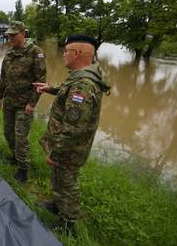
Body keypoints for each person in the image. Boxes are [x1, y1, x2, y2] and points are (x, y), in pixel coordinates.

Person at [33, 34, 110, 235]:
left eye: (66, 51)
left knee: (67, 182)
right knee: (59, 178)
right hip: (66, 146)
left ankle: (68, 224)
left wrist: (55, 153)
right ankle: (57, 204)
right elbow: (66, 91)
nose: (63, 55)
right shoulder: (82, 75)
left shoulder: (83, 84)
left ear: (76, 53)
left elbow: (73, 128)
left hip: (69, 149)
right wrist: (50, 89)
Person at [0, 21, 46, 183]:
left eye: (13, 35)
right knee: (8, 133)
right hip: (9, 101)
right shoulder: (9, 53)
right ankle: (15, 157)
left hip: (24, 104)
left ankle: (23, 168)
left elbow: (41, 80)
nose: (10, 37)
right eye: (8, 35)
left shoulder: (35, 52)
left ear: (23, 34)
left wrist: (33, 103)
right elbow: (3, 76)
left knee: (21, 136)